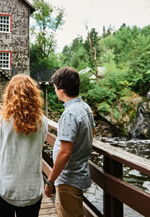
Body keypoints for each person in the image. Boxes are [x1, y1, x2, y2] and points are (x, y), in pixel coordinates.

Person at [0, 74, 48, 217]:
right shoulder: (43, 121)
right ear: (34, 94)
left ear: (9, 94)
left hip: (5, 190)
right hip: (33, 191)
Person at [44, 67, 95, 217]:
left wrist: (50, 181)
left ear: (61, 89)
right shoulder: (85, 107)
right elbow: (92, 133)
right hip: (80, 172)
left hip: (68, 178)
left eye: (54, 87)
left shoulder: (70, 114)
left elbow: (65, 152)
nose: (55, 90)